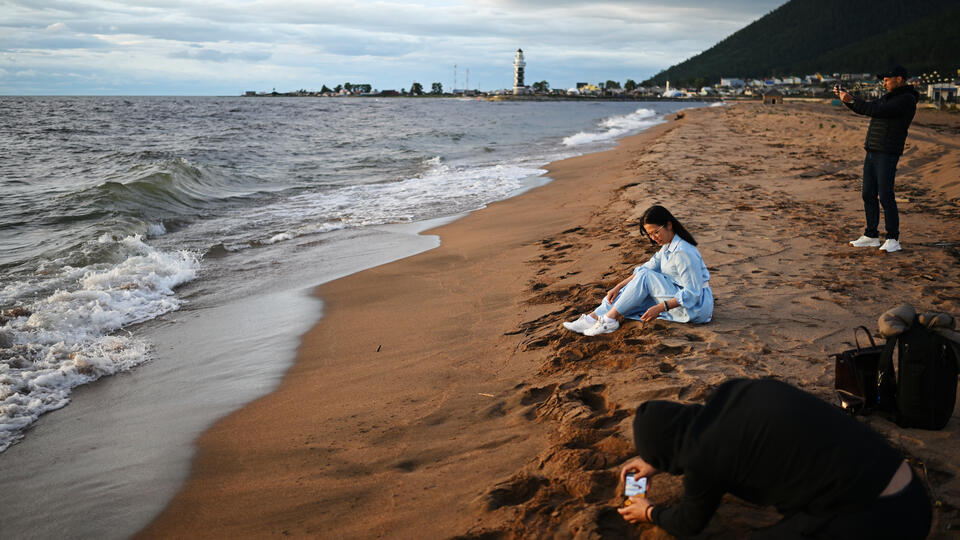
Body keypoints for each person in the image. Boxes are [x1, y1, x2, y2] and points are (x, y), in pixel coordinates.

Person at [617, 378, 932, 539]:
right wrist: (657, 459)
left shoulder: (704, 460)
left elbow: (688, 523)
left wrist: (650, 513)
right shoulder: (734, 393)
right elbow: (696, 435)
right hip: (910, 488)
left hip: (887, 519)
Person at [561, 205, 712, 337]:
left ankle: (609, 319)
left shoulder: (683, 252)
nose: (653, 238)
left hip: (696, 307)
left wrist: (660, 307)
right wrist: (618, 287)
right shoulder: (668, 246)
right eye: (650, 235)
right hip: (678, 295)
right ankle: (593, 318)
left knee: (645, 279)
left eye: (656, 232)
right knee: (640, 280)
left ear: (669, 225)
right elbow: (644, 269)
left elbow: (693, 293)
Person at [834, 65, 920, 253]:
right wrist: (847, 100)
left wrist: (852, 100)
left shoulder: (906, 99)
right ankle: (871, 235)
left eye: (887, 79)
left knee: (886, 195)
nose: (884, 82)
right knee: (868, 194)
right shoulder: (889, 98)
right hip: (873, 150)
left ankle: (892, 238)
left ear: (899, 79)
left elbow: (875, 110)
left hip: (888, 152)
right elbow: (870, 108)